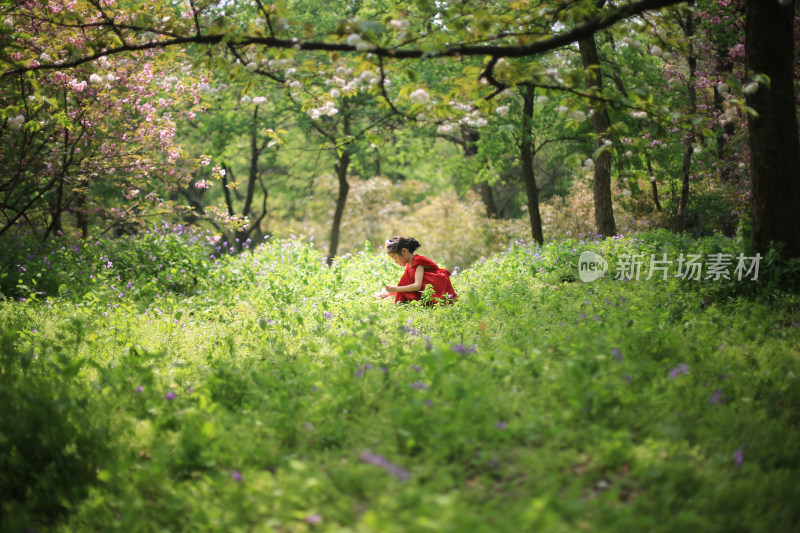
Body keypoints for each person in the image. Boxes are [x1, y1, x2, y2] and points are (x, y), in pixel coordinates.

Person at [377, 236, 457, 305]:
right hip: (424, 290)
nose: (395, 261)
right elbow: (405, 283)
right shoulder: (409, 265)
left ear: (404, 251)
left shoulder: (418, 262)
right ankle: (394, 296)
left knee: (408, 282)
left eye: (395, 258)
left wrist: (396, 289)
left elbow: (417, 285)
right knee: (406, 278)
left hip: (438, 287)